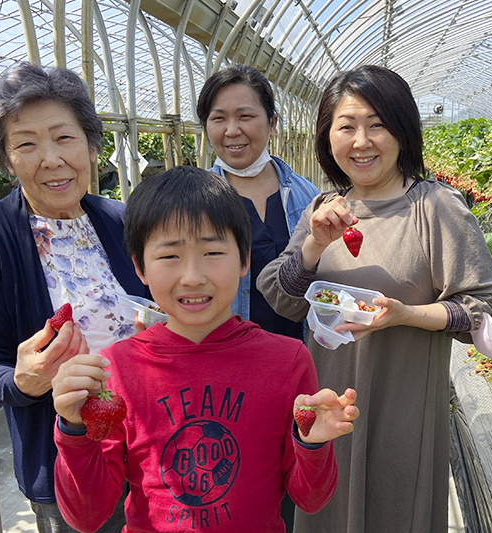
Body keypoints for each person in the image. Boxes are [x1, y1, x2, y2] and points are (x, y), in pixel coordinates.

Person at [256, 65, 492, 532]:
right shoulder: (321, 210)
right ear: (328, 137)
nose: (361, 140)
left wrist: (405, 314)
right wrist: (312, 246)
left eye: (377, 124)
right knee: (324, 507)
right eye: (346, 126)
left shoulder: (435, 207)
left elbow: (480, 308)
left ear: (403, 132)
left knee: (394, 507)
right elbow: (283, 298)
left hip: (401, 404)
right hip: (326, 400)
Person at [49, 166, 360, 533]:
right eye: (169, 257)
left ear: (244, 260)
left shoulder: (287, 360)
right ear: (140, 268)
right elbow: (87, 516)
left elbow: (310, 499)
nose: (193, 276)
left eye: (213, 252)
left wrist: (312, 444)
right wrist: (72, 429)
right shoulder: (115, 370)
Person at [0, 62, 148, 532]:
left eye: (64, 137)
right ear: (7, 160)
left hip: (148, 442)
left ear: (90, 145)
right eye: (26, 143)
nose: (50, 158)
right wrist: (24, 380)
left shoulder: (121, 220)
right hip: (70, 459)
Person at [197, 64, 320, 530]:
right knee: (230, 480)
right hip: (222, 373)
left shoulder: (307, 198)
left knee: (289, 471)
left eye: (246, 116)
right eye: (217, 117)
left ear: (271, 121)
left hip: (293, 365)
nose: (232, 131)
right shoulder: (197, 204)